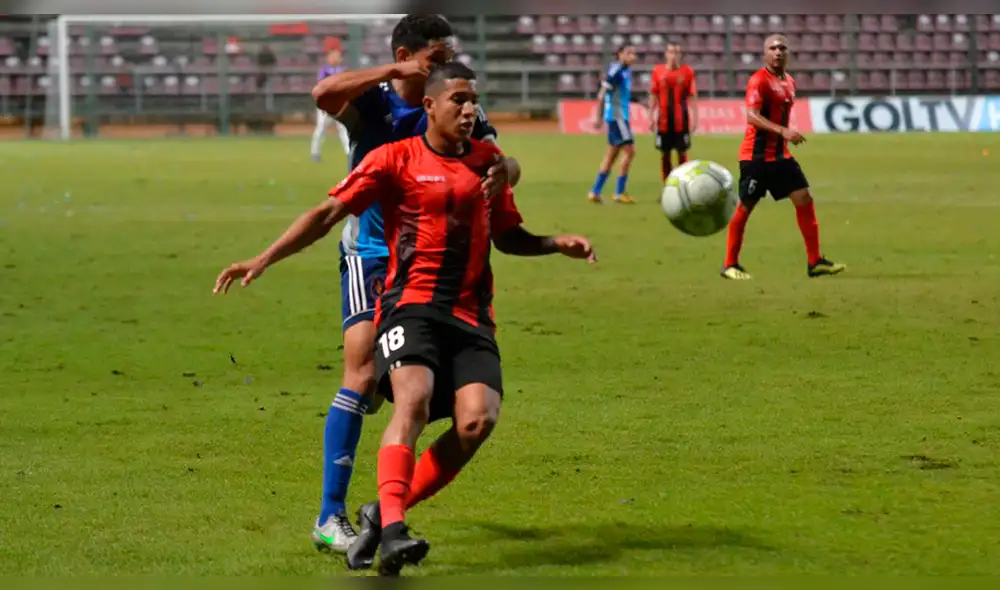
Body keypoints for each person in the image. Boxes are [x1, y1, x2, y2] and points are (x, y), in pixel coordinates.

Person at [215, 62, 595, 576]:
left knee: (477, 422)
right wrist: (263, 257)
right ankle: (393, 533)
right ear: (430, 106)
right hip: (410, 304)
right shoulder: (395, 159)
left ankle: (380, 512)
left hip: (472, 315)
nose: (469, 109)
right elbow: (328, 214)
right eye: (458, 99)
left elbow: (508, 235)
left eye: (473, 100)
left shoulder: (488, 165)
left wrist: (556, 244)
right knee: (411, 402)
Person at [307, 15, 521, 554]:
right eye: (437, 55)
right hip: (371, 253)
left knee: (402, 394)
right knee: (358, 375)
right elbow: (322, 92)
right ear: (407, 53)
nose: (446, 65)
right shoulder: (375, 104)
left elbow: (498, 159)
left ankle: (386, 506)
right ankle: (330, 516)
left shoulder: (456, 103)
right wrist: (394, 70)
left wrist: (511, 169)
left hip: (428, 266)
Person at [721, 34, 846, 280]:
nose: (778, 52)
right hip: (756, 158)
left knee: (804, 198)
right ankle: (729, 265)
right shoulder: (758, 81)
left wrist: (783, 137)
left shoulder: (789, 81)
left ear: (788, 53)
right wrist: (783, 131)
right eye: (772, 48)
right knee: (745, 207)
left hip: (780, 157)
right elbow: (751, 116)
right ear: (764, 54)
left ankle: (815, 261)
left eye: (782, 48)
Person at [588, 45, 638, 204]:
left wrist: (640, 103)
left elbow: (622, 94)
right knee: (630, 151)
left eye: (634, 54)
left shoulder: (625, 71)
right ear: (620, 55)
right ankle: (619, 192)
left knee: (611, 155)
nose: (632, 57)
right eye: (629, 53)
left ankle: (595, 192)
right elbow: (602, 94)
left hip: (618, 116)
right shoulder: (616, 72)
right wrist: (598, 117)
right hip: (618, 117)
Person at [649, 42, 698, 181]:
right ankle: (668, 187)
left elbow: (692, 96)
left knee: (682, 154)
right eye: (671, 52)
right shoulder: (657, 71)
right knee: (665, 155)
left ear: (680, 55)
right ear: (666, 54)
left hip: (681, 120)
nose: (673, 56)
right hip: (663, 120)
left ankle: (683, 186)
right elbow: (653, 94)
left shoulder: (688, 72)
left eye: (676, 53)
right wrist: (650, 117)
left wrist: (695, 118)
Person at [311, 48, 351, 162]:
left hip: (340, 105)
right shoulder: (324, 70)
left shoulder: (344, 70)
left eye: (338, 56)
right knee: (321, 128)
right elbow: (321, 86)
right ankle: (315, 152)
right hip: (326, 105)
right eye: (334, 56)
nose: (336, 58)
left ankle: (348, 152)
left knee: (343, 128)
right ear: (328, 58)